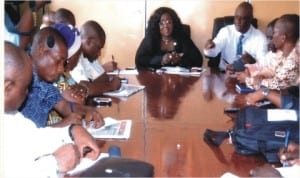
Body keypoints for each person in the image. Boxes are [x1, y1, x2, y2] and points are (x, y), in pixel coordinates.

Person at [3, 41, 101, 178]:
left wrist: (71, 131)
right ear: (6, 88)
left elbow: (33, 138)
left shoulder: (12, 116)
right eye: (25, 88)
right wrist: (53, 164)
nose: (27, 93)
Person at [19, 27, 104, 128]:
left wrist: (88, 111)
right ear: (41, 50)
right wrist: (63, 124)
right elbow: (28, 135)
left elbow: (64, 106)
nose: (61, 69)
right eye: (58, 61)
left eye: (63, 63)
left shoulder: (45, 81)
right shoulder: (20, 80)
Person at [236, 14, 299, 90]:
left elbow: (276, 86)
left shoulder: (293, 61)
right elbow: (272, 70)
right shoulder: (283, 54)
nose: (272, 37)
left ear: (283, 38)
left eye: (275, 33)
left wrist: (247, 79)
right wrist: (261, 75)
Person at [203, 2, 267, 71]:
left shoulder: (260, 38)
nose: (238, 21)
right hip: (225, 72)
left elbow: (263, 65)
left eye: (242, 18)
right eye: (236, 17)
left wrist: (253, 61)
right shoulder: (226, 31)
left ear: (250, 19)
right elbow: (213, 52)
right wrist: (208, 48)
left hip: (247, 75)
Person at [135, 7, 203, 69]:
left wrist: (180, 60)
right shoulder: (151, 38)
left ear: (174, 23)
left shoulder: (182, 37)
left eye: (169, 22)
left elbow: (198, 60)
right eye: (161, 23)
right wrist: (161, 59)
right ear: (156, 25)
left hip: (178, 80)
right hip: (155, 79)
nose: (166, 26)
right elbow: (139, 60)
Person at [70, 20, 121, 97]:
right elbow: (83, 89)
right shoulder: (75, 54)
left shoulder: (87, 56)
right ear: (88, 41)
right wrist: (111, 86)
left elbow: (103, 78)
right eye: (98, 48)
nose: (99, 53)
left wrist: (95, 85)